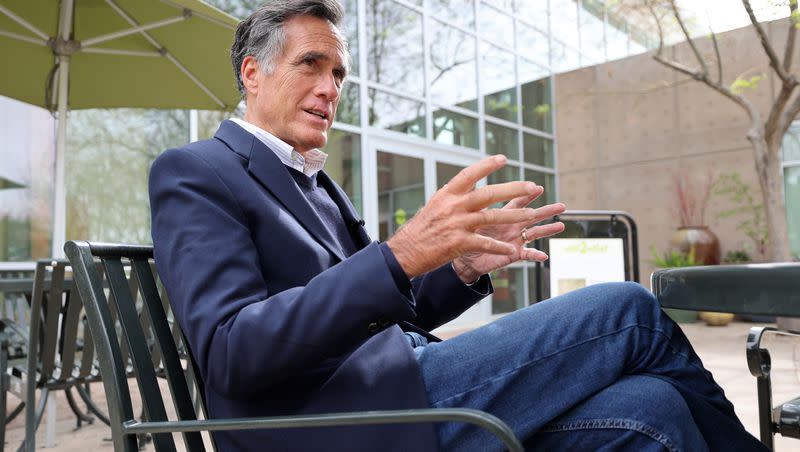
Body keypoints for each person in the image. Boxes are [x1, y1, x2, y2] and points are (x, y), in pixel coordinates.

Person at [148, 1, 767, 450]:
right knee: (626, 311)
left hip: (397, 387)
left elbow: (388, 314)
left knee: (652, 410)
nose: (330, 87)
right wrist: (398, 255)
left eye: (338, 73)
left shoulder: (312, 179)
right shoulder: (196, 171)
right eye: (310, 64)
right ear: (252, 74)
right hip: (331, 420)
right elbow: (231, 352)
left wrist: (460, 268)